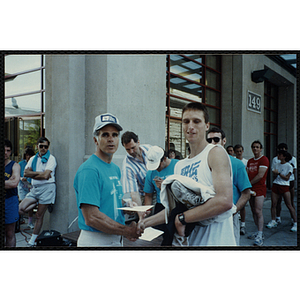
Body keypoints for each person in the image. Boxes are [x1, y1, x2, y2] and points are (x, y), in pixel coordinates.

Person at [139, 102, 236, 246]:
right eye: (186, 121)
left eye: (196, 121)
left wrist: (183, 218)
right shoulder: (180, 165)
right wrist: (144, 223)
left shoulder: (215, 153)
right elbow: (173, 210)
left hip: (217, 242)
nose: (191, 126)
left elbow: (225, 201)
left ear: (207, 126)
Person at [74, 113, 143, 247]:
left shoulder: (115, 169)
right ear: (96, 140)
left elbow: (109, 198)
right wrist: (127, 231)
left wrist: (127, 205)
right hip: (95, 240)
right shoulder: (89, 170)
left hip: (115, 238)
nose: (111, 139)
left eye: (115, 135)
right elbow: (92, 217)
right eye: (105, 135)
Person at [207, 128, 251, 245]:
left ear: (224, 141)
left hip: (228, 217)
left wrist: (234, 211)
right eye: (209, 140)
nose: (212, 143)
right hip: (207, 216)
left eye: (216, 139)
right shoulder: (204, 162)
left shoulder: (236, 164)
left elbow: (246, 193)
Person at [19, 137, 57, 247]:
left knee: (39, 216)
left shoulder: (51, 159)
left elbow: (46, 176)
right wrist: (41, 174)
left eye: (46, 146)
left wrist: (34, 174)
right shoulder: (33, 159)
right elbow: (25, 173)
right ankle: (38, 203)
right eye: (41, 146)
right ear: (37, 147)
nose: (43, 148)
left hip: (47, 188)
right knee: (21, 209)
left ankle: (32, 240)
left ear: (48, 147)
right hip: (35, 189)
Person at [143, 146, 179, 245]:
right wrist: (147, 211)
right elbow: (148, 195)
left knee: (171, 237)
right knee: (156, 237)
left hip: (176, 205)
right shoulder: (151, 173)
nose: (157, 170)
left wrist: (166, 186)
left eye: (158, 166)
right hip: (161, 205)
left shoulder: (178, 166)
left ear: (164, 159)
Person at [266, 150, 297, 232]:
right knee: (274, 204)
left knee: (289, 204)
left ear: (284, 157)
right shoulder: (276, 164)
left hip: (285, 185)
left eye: (280, 155)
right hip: (276, 184)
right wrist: (276, 173)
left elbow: (287, 178)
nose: (278, 156)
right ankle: (273, 220)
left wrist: (279, 173)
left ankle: (295, 222)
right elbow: (274, 174)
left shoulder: (289, 166)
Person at [246, 140, 269, 246]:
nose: (255, 149)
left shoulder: (264, 159)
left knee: (258, 210)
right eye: (253, 147)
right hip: (250, 188)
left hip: (259, 188)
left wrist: (249, 184)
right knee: (253, 211)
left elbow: (260, 175)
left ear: (261, 149)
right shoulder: (250, 161)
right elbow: (247, 173)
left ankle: (260, 234)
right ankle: (257, 231)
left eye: (257, 147)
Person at [121, 131, 151, 206]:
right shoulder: (127, 167)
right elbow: (134, 193)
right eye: (127, 149)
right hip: (144, 195)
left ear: (138, 142)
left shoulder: (149, 149)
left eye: (133, 147)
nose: (131, 151)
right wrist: (141, 212)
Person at [4, 139, 21, 247]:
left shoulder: (15, 166)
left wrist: (11, 182)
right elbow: (10, 182)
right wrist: (7, 182)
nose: (5, 152)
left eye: (8, 150)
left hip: (9, 201)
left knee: (10, 233)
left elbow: (14, 183)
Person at [18, 147, 35, 228]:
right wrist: (21, 178)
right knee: (21, 203)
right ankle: (19, 219)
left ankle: (30, 222)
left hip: (30, 187)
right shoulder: (20, 164)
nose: (28, 157)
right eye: (27, 155)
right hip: (22, 187)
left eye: (30, 155)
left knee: (30, 204)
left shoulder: (34, 164)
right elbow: (16, 175)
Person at [234, 144, 248, 235]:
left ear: (242, 151)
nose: (239, 153)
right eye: (237, 151)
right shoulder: (233, 161)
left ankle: (242, 225)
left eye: (240, 151)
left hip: (242, 184)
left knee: (242, 206)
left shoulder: (246, 162)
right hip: (235, 186)